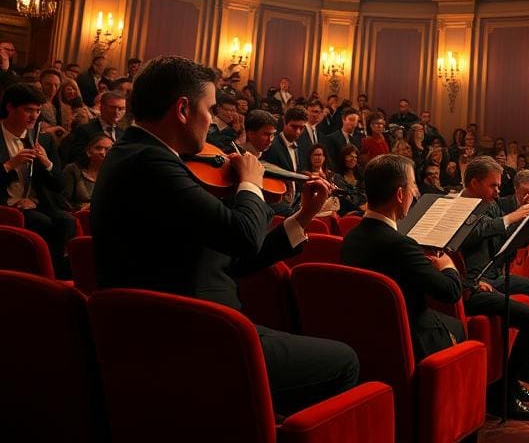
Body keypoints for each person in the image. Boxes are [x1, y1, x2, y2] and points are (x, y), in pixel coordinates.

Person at [91, 56, 359, 415]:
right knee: (344, 360)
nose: (217, 120)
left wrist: (303, 216)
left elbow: (232, 257)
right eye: (211, 108)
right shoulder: (151, 163)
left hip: (182, 324)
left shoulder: (138, 154)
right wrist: (250, 181)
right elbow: (243, 235)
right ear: (183, 109)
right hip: (197, 337)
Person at [459, 156, 529, 421]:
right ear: (474, 182)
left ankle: (524, 367)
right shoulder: (457, 206)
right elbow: (472, 233)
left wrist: (521, 222)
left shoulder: (491, 205)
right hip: (472, 285)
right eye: (493, 186)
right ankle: (504, 395)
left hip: (491, 275)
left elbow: (502, 243)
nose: (497, 191)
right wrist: (510, 217)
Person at [341, 153, 465, 359]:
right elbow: (450, 292)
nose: (415, 193)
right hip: (408, 336)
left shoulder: (351, 236)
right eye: (413, 186)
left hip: (367, 331)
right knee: (458, 327)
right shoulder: (401, 245)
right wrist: (447, 264)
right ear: (400, 194)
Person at [1, 83, 75, 275]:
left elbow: (59, 185)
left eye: (38, 110)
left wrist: (47, 162)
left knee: (67, 221)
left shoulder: (43, 140)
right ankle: (34, 274)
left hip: (36, 202)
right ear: (10, 107)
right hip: (6, 203)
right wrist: (10, 165)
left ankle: (53, 276)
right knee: (41, 222)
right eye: (28, 110)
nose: (34, 116)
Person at [61, 133, 112, 210]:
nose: (102, 152)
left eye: (107, 149)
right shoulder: (73, 169)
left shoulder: (113, 173)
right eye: (98, 148)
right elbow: (63, 201)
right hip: (78, 215)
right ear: (88, 152)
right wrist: (82, 208)